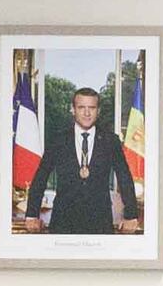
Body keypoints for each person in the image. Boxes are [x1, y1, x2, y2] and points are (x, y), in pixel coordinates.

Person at [34, 80, 138, 238]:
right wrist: (31, 214)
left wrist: (131, 215)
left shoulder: (111, 140)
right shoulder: (58, 140)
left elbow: (124, 177)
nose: (87, 113)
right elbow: (41, 177)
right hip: (63, 223)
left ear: (98, 111)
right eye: (81, 107)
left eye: (92, 108)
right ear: (73, 110)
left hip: (99, 223)